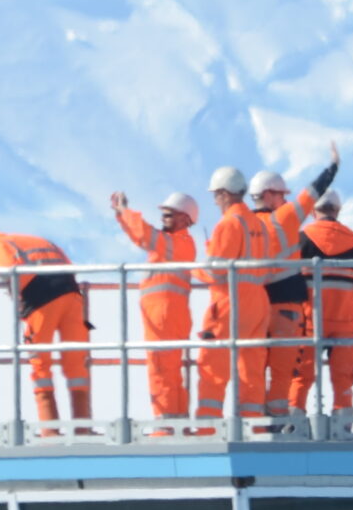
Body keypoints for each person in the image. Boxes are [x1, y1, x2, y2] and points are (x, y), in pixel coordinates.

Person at [0, 220, 92, 431]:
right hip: (72, 295)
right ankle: (83, 428)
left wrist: (16, 295)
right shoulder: (29, 239)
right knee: (76, 364)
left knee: (40, 365)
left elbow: (7, 270)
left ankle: (50, 430)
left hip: (42, 301)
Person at [251, 147, 340, 424]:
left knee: (252, 365)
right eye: (280, 194)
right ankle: (277, 419)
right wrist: (332, 168)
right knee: (282, 365)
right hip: (286, 305)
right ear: (268, 194)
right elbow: (311, 193)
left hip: (252, 306)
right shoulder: (285, 217)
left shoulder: (243, 223)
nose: (284, 199)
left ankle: (252, 418)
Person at [193, 166, 275, 432]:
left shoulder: (229, 223)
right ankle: (254, 428)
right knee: (250, 368)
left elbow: (216, 270)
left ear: (225, 194)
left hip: (230, 302)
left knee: (213, 365)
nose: (215, 201)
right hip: (258, 303)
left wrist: (194, 269)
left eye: (216, 195)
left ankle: (207, 428)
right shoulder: (257, 224)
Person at [112, 188, 200, 430]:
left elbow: (144, 234)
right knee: (170, 371)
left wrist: (124, 211)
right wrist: (122, 216)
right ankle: (177, 423)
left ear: (185, 219)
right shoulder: (171, 246)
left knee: (161, 369)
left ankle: (167, 427)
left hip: (164, 316)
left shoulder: (177, 243)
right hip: (168, 316)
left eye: (169, 215)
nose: (164, 219)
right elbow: (141, 237)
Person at [290, 188, 353, 420]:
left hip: (308, 321)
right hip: (346, 321)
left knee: (299, 376)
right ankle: (343, 424)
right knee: (343, 378)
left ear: (313, 211)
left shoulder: (300, 240)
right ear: (337, 210)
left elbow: (287, 277)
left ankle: (293, 423)